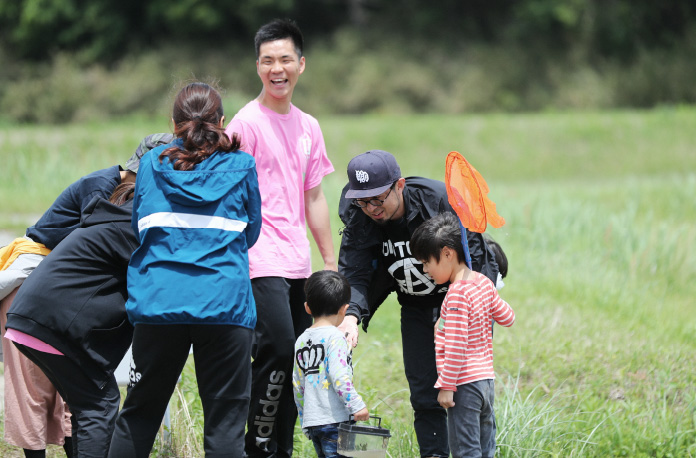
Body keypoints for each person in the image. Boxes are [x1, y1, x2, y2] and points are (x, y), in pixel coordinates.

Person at [108, 82, 262, 457]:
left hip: (159, 303)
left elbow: (139, 227)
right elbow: (252, 232)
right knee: (225, 423)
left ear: (173, 123)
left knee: (139, 415)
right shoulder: (242, 165)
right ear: (222, 123)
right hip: (224, 304)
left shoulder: (151, 163)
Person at [336, 149, 501, 458]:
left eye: (378, 199)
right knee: (425, 394)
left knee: (466, 392)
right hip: (413, 305)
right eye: (362, 200)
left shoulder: (437, 201)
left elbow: (474, 257)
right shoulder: (359, 213)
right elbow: (355, 270)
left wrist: (462, 309)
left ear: (399, 185)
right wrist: (351, 316)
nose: (371, 208)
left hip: (460, 304)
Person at [224, 18, 336, 457]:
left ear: (301, 65)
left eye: (285, 59)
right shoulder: (245, 125)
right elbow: (229, 195)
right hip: (258, 258)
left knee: (297, 356)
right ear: (257, 67)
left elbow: (314, 198)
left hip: (299, 263)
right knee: (276, 346)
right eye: (268, 60)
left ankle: (280, 448)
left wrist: (329, 263)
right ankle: (258, 445)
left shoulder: (309, 126)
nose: (277, 68)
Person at [5, 182, 139, 458]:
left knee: (84, 404)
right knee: (99, 405)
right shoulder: (129, 227)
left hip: (30, 316)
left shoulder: (111, 215)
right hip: (50, 322)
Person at [410, 212, 515, 457]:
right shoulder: (482, 282)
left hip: (464, 385)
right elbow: (508, 317)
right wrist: (487, 299)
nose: (426, 270)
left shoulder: (456, 294)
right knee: (486, 447)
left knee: (465, 450)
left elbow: (457, 346)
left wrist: (447, 386)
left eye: (427, 262)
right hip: (486, 382)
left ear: (448, 253)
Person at [292, 270, 369, 458]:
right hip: (337, 420)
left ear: (307, 308)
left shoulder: (301, 340)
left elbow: (297, 385)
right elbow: (340, 377)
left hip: (314, 422)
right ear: (345, 309)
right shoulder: (335, 338)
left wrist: (305, 418)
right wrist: (356, 405)